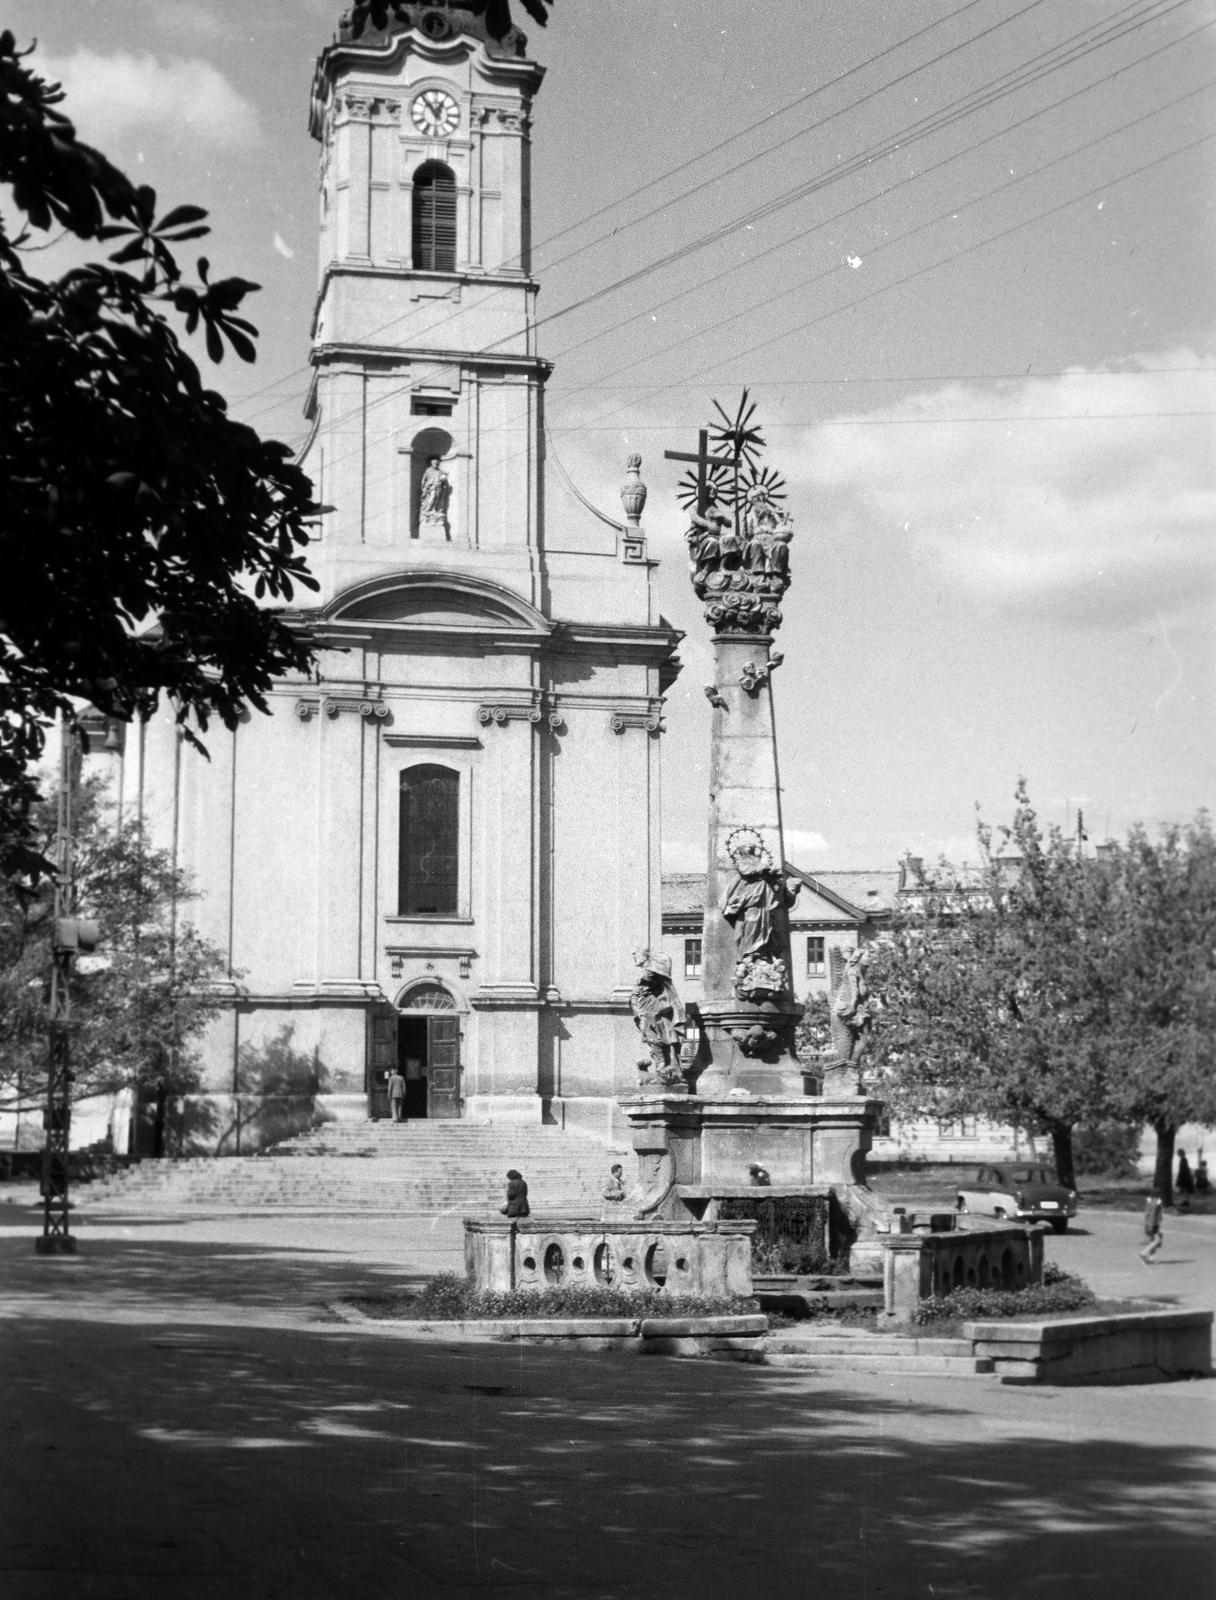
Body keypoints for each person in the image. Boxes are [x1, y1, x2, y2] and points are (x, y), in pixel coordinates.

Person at [1140, 1190, 1164, 1265]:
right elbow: (1156, 1213)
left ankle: (1151, 1258)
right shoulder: (1157, 1202)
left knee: (1152, 1240)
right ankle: (1143, 1252)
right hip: (1153, 1224)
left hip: (1148, 1223)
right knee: (1157, 1241)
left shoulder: (1149, 1201)